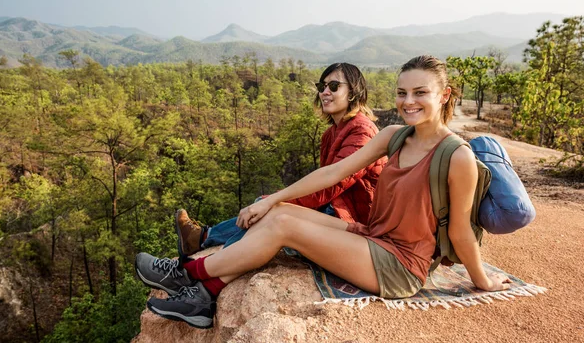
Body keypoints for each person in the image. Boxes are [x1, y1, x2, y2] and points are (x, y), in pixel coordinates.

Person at [135, 55, 512, 329]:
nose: (408, 101)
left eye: (420, 92)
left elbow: (461, 231)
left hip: (400, 266)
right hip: (373, 237)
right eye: (401, 92)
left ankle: (187, 273)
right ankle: (202, 299)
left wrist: (482, 280)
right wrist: (276, 199)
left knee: (285, 228)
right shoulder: (393, 137)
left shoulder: (456, 156)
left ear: (444, 95)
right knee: (278, 215)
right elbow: (332, 173)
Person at [172, 62, 385, 262]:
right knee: (265, 206)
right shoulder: (331, 134)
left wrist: (272, 201)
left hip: (356, 220)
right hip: (337, 208)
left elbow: (328, 186)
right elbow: (323, 187)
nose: (325, 92)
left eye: (334, 86)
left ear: (353, 93)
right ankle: (203, 242)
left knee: (269, 210)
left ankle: (214, 260)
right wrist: (271, 201)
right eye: (322, 86)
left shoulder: (361, 132)